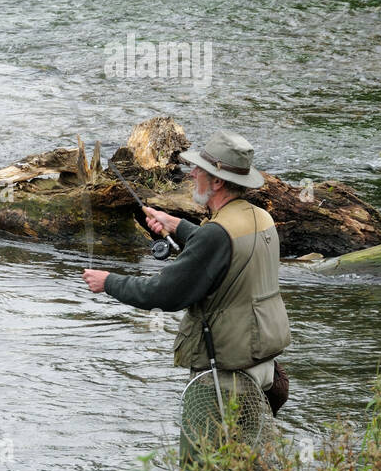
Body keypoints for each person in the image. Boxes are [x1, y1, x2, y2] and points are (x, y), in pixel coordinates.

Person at [82, 129, 291, 413]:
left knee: (203, 456)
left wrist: (109, 282)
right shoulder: (261, 218)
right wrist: (175, 224)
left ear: (217, 181)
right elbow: (223, 249)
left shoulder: (216, 235)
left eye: (199, 169)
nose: (191, 174)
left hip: (225, 380)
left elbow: (163, 293)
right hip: (263, 366)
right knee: (250, 456)